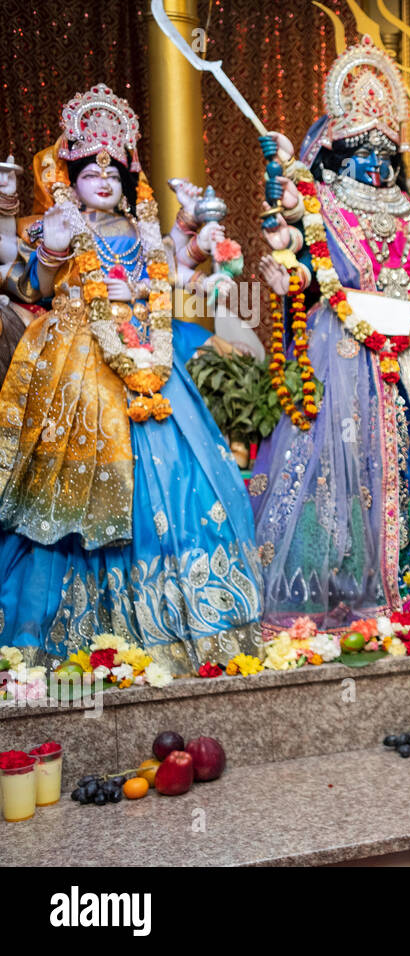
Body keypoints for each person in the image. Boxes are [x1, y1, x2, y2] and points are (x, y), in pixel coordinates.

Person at [0, 84, 262, 671]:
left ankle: (182, 627)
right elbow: (25, 289)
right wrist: (52, 255)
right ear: (69, 173)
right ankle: (78, 638)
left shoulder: (141, 232)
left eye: (114, 169)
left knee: (184, 482)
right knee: (74, 498)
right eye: (90, 167)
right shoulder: (54, 226)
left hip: (148, 365)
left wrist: (183, 247)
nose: (103, 175)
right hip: (76, 371)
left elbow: (168, 276)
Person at [251, 37, 410, 631]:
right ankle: (342, 597)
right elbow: (293, 241)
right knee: (338, 472)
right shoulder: (320, 202)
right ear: (336, 154)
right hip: (341, 349)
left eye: (388, 149)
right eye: (362, 149)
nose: (377, 162)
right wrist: (284, 245)